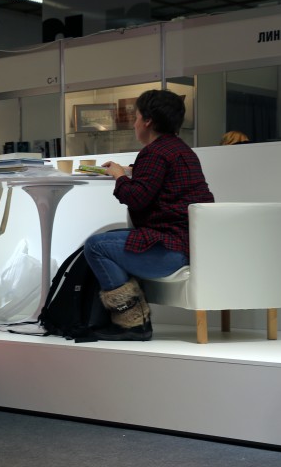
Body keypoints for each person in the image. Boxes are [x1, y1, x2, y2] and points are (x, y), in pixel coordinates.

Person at [86, 89, 215, 341]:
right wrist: (130, 171)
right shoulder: (181, 150)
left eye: (136, 117)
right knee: (111, 239)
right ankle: (135, 319)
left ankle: (132, 322)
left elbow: (136, 197)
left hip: (170, 250)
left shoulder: (154, 152)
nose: (134, 123)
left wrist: (119, 176)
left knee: (95, 246)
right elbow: (157, 180)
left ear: (147, 121)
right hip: (188, 245)